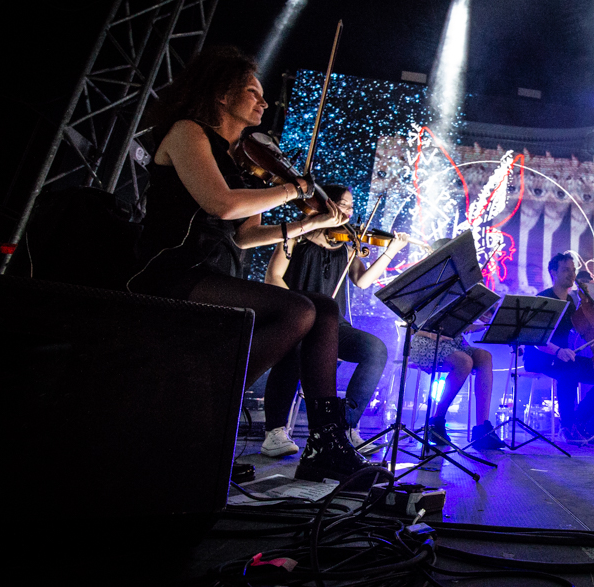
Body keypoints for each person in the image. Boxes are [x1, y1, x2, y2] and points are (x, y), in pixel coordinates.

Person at [128, 45, 372, 484]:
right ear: (222, 94)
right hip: (173, 274)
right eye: (252, 92)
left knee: (324, 309)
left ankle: (326, 443)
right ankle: (204, 408)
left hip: (215, 274)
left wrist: (310, 223)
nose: (263, 101)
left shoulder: (237, 160)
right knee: (297, 310)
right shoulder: (187, 133)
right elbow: (221, 205)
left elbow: (244, 236)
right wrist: (295, 190)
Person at [259, 185, 411, 457]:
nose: (349, 212)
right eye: (343, 204)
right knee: (295, 347)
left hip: (332, 326)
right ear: (324, 203)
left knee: (375, 350)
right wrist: (299, 309)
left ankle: (346, 425)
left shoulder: (347, 245)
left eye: (352, 207)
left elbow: (363, 281)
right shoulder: (295, 235)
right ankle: (274, 431)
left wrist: (391, 250)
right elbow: (273, 277)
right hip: (297, 319)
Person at [408, 239, 506, 450]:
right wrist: (436, 335)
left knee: (484, 356)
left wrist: (478, 321)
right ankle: (437, 420)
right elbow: (412, 326)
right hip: (426, 341)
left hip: (453, 342)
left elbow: (457, 324)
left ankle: (482, 428)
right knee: (464, 361)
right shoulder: (425, 286)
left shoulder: (459, 287)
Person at [523, 253, 594, 444]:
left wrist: (587, 303)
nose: (571, 275)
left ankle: (578, 421)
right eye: (565, 270)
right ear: (553, 272)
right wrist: (558, 351)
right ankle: (567, 427)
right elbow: (536, 338)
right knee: (569, 372)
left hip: (562, 357)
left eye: (573, 270)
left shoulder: (571, 302)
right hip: (541, 357)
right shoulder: (544, 299)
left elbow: (582, 327)